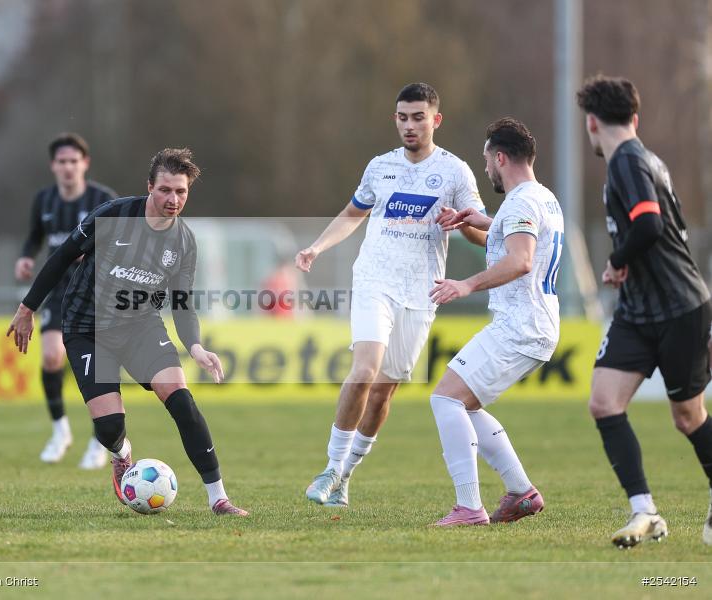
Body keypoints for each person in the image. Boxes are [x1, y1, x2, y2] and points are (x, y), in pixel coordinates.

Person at [7, 147, 247, 516]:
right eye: (165, 190)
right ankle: (121, 455)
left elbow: (182, 302)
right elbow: (60, 259)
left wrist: (195, 346)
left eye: (181, 192)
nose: (173, 199)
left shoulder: (184, 242)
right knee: (109, 427)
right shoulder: (113, 216)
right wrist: (28, 308)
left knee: (182, 402)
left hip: (140, 327)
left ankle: (219, 498)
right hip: (87, 328)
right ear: (149, 186)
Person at [296, 82, 487, 507]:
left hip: (422, 293)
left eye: (418, 117)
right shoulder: (380, 167)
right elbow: (352, 215)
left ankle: (345, 476)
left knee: (384, 390)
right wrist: (317, 247)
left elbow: (477, 233)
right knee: (365, 369)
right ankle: (329, 467)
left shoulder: (455, 172)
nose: (410, 125)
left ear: (436, 120)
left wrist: (462, 222)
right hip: (374, 280)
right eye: (402, 117)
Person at [576, 75, 712, 547]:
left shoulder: (628, 160)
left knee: (688, 416)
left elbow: (649, 225)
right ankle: (645, 512)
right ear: (633, 117)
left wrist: (615, 260)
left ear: (591, 122)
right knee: (604, 401)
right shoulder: (638, 158)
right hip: (639, 311)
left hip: (678, 307)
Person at [428, 117, 563, 526]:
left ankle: (470, 508)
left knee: (446, 398)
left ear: (500, 157)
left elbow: (521, 260)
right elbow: (521, 237)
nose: (486, 169)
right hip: (534, 326)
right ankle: (522, 493)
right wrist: (476, 219)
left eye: (487, 160)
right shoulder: (542, 198)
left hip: (520, 326)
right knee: (462, 405)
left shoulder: (520, 202)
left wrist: (466, 285)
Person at [15, 133, 118, 469]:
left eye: (74, 161)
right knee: (50, 356)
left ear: (85, 163)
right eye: (62, 162)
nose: (68, 167)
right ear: (53, 166)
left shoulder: (104, 199)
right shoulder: (43, 201)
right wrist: (26, 257)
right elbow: (35, 237)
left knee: (98, 367)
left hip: (97, 292)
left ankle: (100, 441)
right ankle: (60, 431)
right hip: (59, 292)